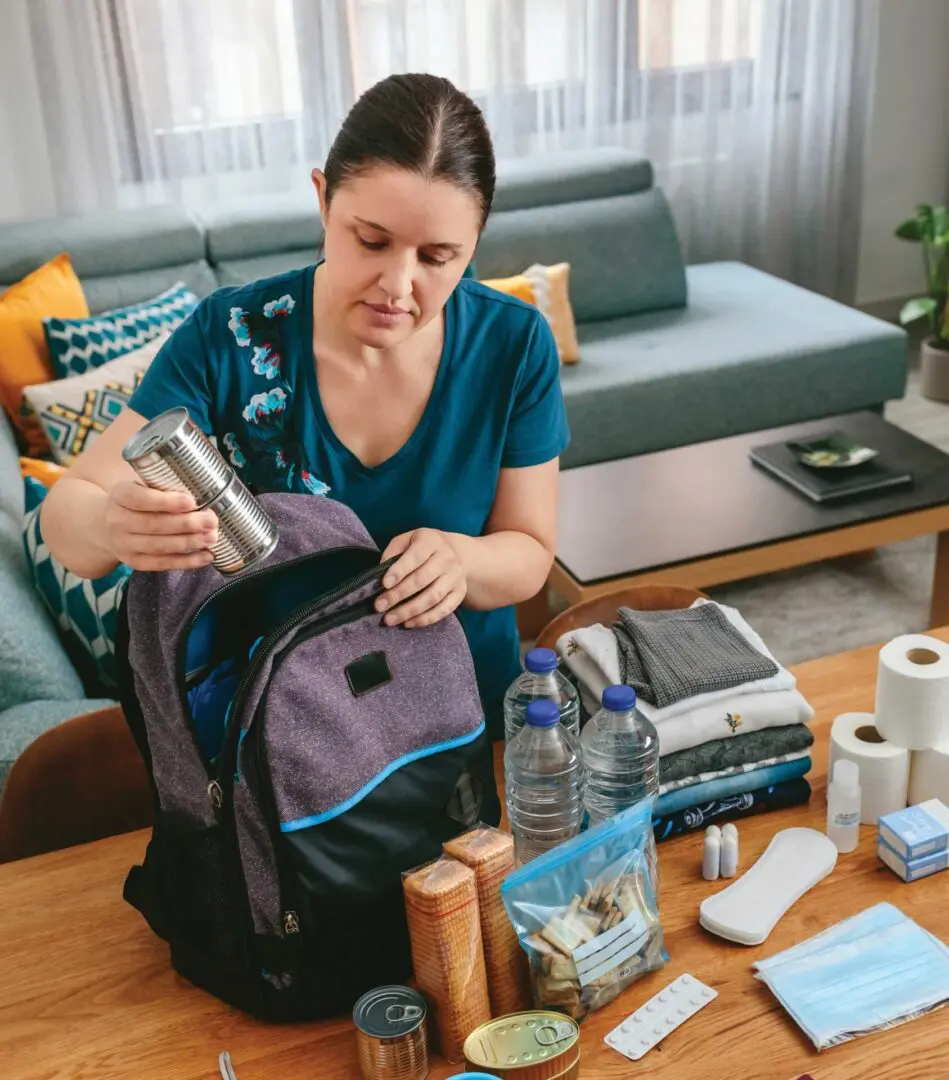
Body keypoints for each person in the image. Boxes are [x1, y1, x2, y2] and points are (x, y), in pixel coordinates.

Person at [41, 72, 569, 739]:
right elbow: (68, 516)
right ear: (323, 201)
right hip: (282, 747)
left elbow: (528, 550)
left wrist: (462, 562)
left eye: (439, 257)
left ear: (474, 243)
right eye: (370, 241)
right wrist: (111, 524)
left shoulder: (513, 345)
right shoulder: (228, 336)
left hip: (463, 725)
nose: (398, 286)